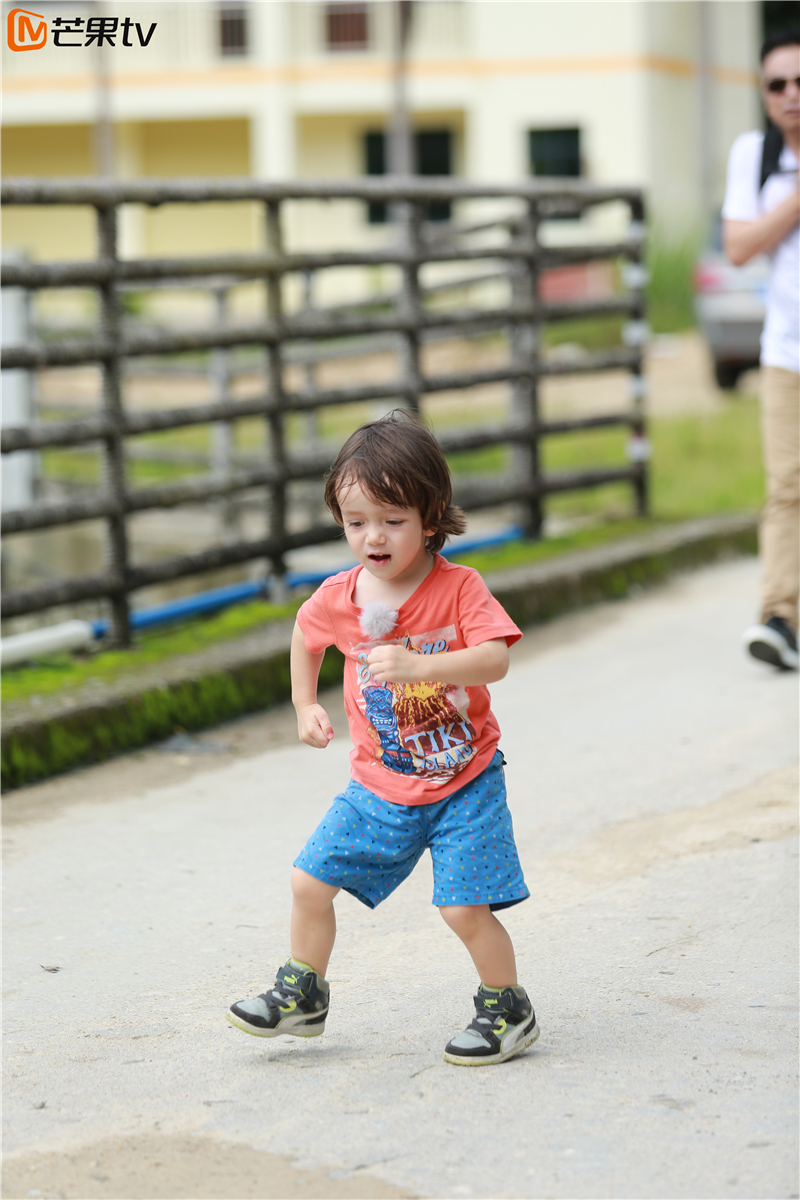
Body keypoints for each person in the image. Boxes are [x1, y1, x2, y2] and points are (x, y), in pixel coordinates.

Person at [226, 411, 539, 1066]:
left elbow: (494, 659)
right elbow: (306, 635)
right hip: (379, 784)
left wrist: (423, 666)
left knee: (463, 910)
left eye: (393, 520)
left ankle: (507, 1007)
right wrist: (304, 702)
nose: (373, 536)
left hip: (465, 782)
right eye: (356, 521)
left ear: (431, 517)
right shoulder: (340, 596)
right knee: (309, 881)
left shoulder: (458, 588)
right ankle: (302, 994)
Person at [722, 29, 800, 671]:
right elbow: (740, 246)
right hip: (787, 352)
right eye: (778, 84)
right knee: (786, 485)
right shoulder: (755, 155)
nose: (792, 95)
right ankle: (779, 617)